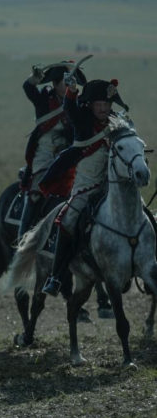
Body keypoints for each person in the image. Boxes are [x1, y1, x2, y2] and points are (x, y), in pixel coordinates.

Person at [39, 77, 128, 296]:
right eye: (99, 104)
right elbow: (69, 107)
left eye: (107, 104)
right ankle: (56, 276)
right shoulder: (82, 120)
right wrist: (71, 90)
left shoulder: (118, 122)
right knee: (67, 221)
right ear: (90, 105)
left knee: (141, 215)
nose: (103, 108)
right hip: (86, 188)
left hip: (114, 189)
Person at [18, 61, 86, 240]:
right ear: (55, 84)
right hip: (46, 155)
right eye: (65, 82)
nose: (69, 85)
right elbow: (28, 88)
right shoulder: (44, 100)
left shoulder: (79, 102)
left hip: (72, 157)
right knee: (35, 194)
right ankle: (22, 238)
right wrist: (34, 79)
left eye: (72, 81)